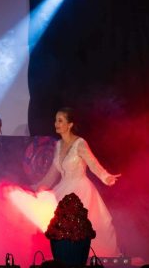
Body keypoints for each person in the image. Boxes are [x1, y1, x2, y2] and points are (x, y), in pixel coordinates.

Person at [32, 108, 122, 256]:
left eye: (60, 120)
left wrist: (106, 177)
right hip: (63, 189)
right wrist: (36, 187)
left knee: (86, 226)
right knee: (57, 226)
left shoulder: (80, 143)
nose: (56, 123)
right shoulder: (58, 145)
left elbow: (93, 164)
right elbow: (52, 173)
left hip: (81, 190)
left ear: (70, 124)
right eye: (55, 120)